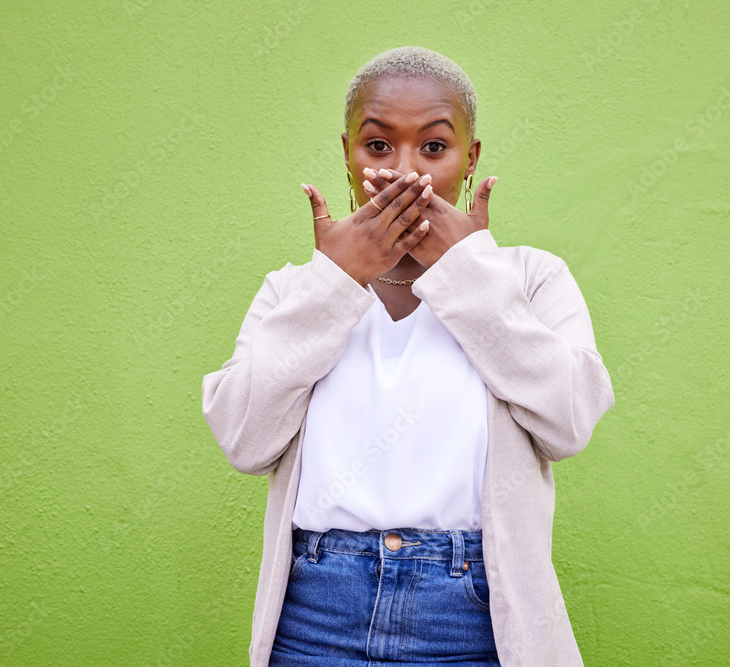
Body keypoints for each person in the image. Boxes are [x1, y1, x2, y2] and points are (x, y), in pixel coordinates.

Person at [202, 46, 615, 667]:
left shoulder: (529, 279)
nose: (404, 172)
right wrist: (336, 283)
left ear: (469, 159)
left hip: (474, 615)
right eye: (376, 146)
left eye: (433, 147)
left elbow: (570, 421)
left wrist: (467, 277)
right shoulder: (294, 290)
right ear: (347, 154)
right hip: (317, 615)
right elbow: (243, 438)